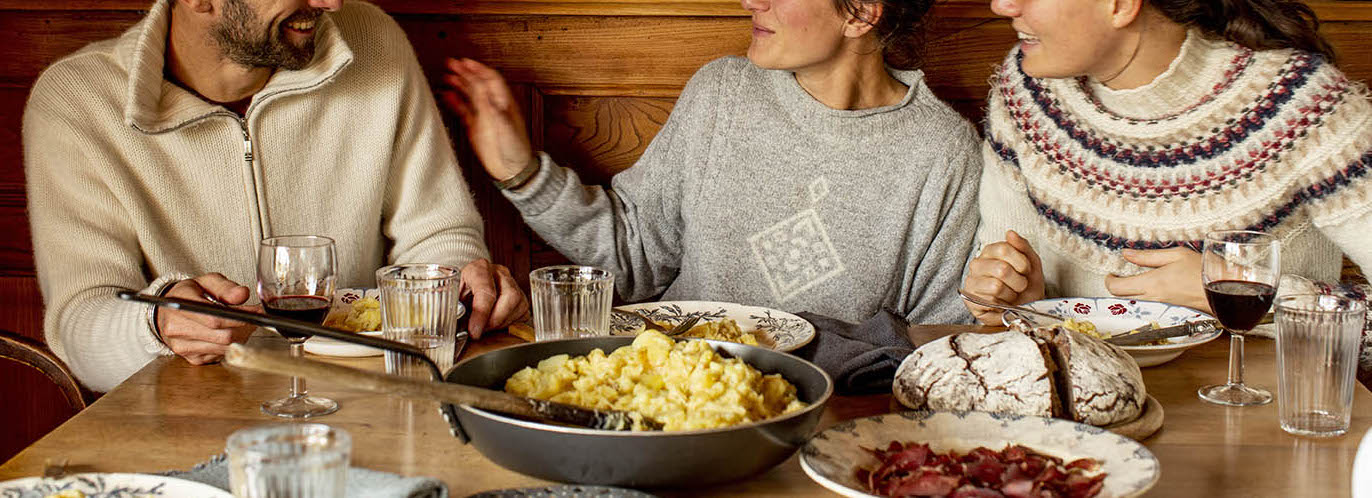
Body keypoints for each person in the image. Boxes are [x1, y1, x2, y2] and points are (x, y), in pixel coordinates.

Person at [23, 0, 528, 392]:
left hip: (372, 400)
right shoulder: (77, 101)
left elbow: (437, 231)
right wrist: (156, 323)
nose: (331, 3)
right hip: (188, 422)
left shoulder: (372, 41)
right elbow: (81, 320)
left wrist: (459, 275)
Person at [440, 0, 981, 325]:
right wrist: (524, 174)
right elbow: (634, 259)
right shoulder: (723, 91)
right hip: (677, 402)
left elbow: (932, 342)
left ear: (861, 10)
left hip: (828, 426)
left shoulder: (943, 152)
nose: (750, 0)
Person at [963, 0, 1372, 325]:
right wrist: (1017, 301)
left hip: (1262, 416)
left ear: (1120, 5)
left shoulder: (1304, 105)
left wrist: (1243, 295)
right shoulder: (1024, 94)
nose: (1002, 5)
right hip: (1077, 414)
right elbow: (1005, 288)